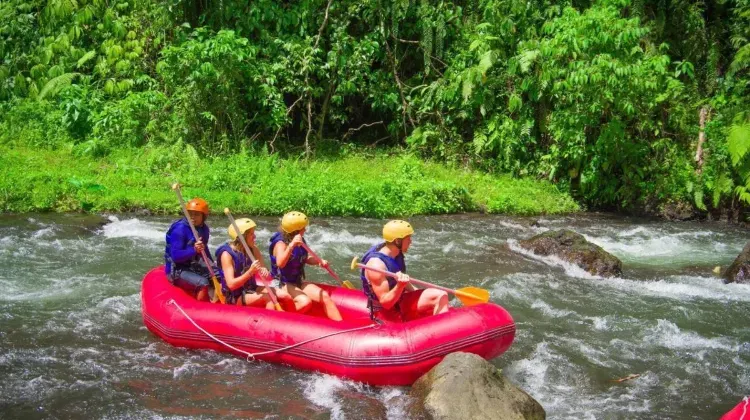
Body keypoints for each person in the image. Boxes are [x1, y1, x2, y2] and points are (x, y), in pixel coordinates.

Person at [360, 220, 449, 322]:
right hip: (385, 312)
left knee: (441, 295)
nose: (411, 242)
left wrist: (417, 292)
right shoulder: (377, 266)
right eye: (408, 239)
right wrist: (400, 285)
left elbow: (403, 279)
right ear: (398, 241)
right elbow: (386, 303)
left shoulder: (396, 252)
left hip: (399, 300)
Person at [269, 211, 342, 321]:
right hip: (281, 283)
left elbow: (305, 258)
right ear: (296, 230)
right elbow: (280, 263)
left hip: (296, 281)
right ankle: (282, 320)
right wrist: (292, 245)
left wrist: (318, 261)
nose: (305, 230)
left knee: (325, 296)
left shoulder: (300, 239)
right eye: (303, 228)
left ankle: (340, 329)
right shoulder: (281, 244)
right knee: (305, 302)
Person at [216, 217, 290, 308]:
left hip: (252, 288)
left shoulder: (253, 249)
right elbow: (231, 285)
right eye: (251, 234)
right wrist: (250, 272)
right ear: (241, 237)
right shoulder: (227, 255)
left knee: (285, 296)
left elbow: (264, 273)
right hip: (235, 296)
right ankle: (269, 320)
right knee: (269, 298)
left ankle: (293, 319)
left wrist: (264, 271)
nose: (255, 236)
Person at [164, 197, 213, 302]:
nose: (192, 217)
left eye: (196, 214)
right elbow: (176, 256)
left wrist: (212, 265)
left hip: (193, 265)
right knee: (203, 283)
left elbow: (204, 249)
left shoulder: (204, 229)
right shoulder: (180, 229)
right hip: (177, 270)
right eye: (190, 213)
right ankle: (203, 310)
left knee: (219, 275)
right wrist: (194, 250)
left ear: (204, 216)